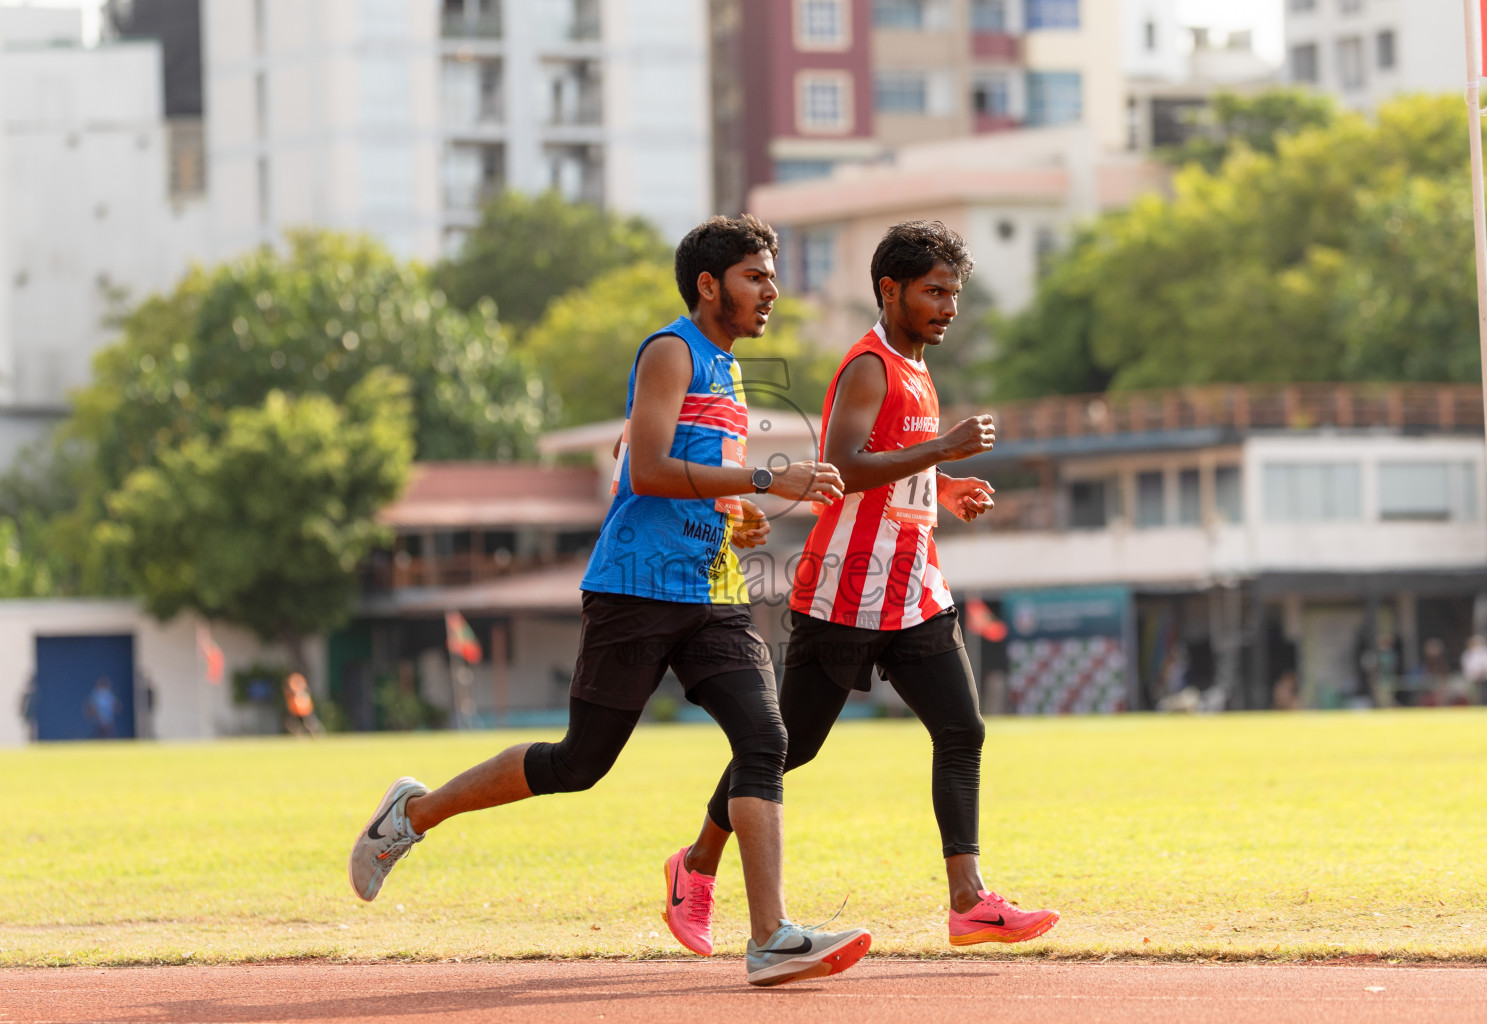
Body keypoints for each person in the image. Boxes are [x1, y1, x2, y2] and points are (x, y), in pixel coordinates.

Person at [349, 214, 872, 988]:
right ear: (709, 284)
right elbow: (650, 469)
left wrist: (737, 513)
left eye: (771, 276)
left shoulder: (727, 370)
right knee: (579, 762)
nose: (771, 291)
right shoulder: (669, 351)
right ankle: (411, 816)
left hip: (713, 592)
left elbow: (682, 474)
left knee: (766, 738)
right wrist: (767, 478)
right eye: (756, 276)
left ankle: (771, 939)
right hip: (634, 588)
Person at [662, 221, 1059, 960]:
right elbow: (842, 462)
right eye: (934, 292)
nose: (948, 306)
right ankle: (696, 866)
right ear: (890, 290)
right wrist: (942, 448)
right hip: (846, 591)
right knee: (789, 748)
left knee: (962, 729)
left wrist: (944, 484)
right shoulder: (869, 367)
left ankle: (970, 902)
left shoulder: (915, 367)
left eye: (955, 293)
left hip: (913, 590)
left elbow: (890, 461)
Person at [284, 672, 325, 737]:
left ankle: (317, 734)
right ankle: (301, 734)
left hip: (304, 710)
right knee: (291, 724)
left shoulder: (301, 688)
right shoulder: (292, 683)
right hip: (295, 711)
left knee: (310, 723)